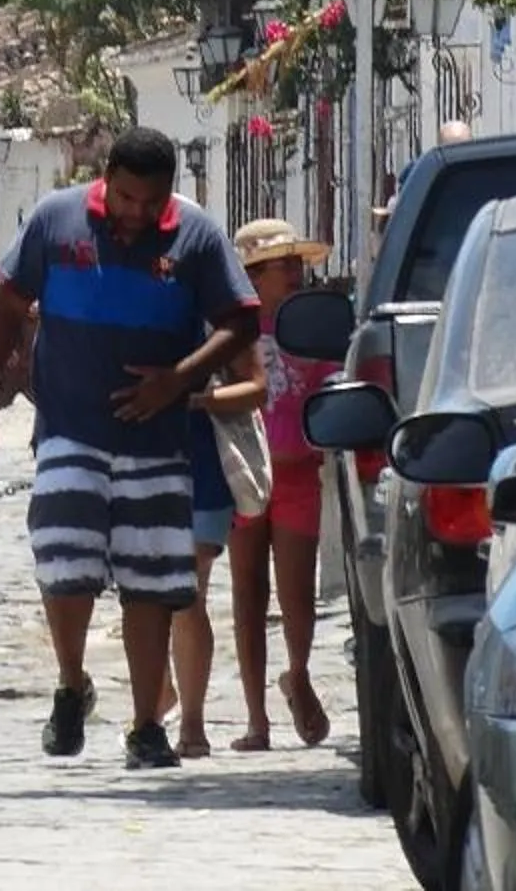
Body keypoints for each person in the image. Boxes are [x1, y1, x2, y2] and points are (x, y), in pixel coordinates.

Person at [0, 128, 258, 770]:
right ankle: (72, 684)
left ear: (170, 192)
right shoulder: (55, 219)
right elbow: (7, 309)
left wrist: (179, 379)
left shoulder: (197, 237)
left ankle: (147, 725)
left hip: (157, 441)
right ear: (106, 179)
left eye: (151, 202)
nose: (136, 213)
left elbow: (242, 321)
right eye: (125, 198)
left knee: (151, 583)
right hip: (69, 427)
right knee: (63, 561)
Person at [229, 217, 337, 751]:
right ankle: (256, 718)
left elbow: (330, 381)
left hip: (297, 472)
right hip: (244, 470)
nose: (294, 272)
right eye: (282, 264)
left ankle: (297, 672)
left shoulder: (313, 326)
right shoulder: (231, 331)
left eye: (296, 262)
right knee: (247, 592)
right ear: (253, 274)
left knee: (297, 593)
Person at [161, 338, 265, 759]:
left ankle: (192, 723)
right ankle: (162, 693)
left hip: (203, 465)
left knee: (189, 592)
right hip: (140, 458)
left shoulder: (218, 314)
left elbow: (256, 387)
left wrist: (199, 400)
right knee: (151, 594)